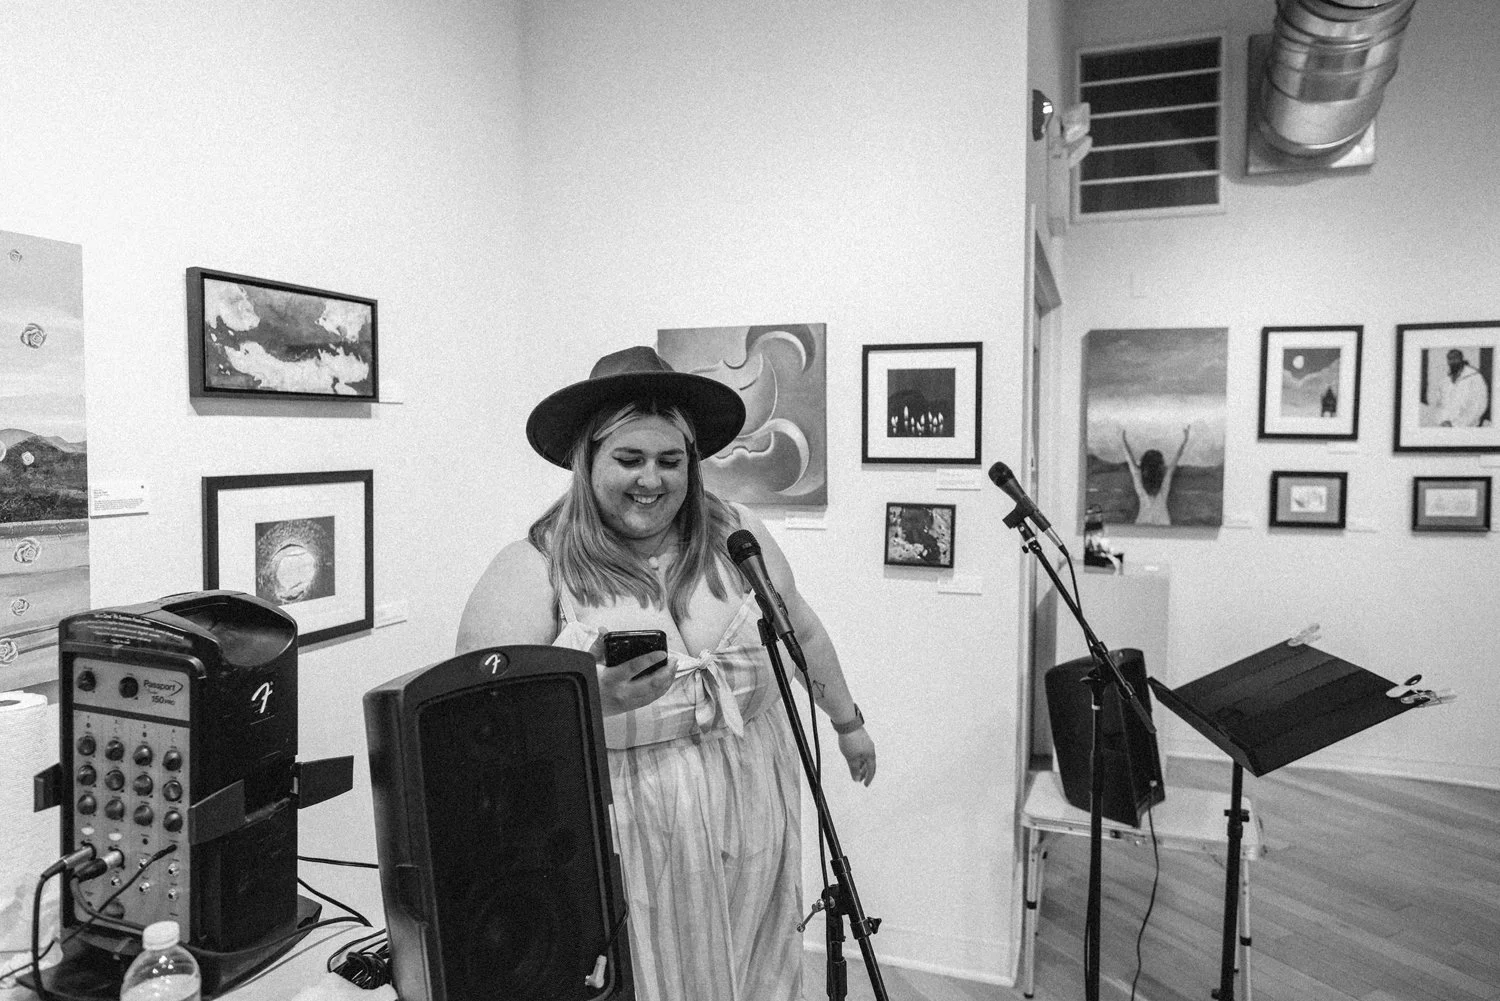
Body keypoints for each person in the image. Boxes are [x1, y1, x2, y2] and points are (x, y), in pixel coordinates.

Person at [456, 345, 876, 1001]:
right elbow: (473, 731)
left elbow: (804, 631)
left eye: (670, 460)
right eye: (629, 459)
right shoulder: (533, 567)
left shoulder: (738, 537)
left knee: (754, 979)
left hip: (753, 816)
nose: (651, 480)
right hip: (626, 845)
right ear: (586, 460)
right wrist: (586, 698)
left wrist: (847, 723)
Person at [1120, 425, 1191, 526]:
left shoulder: (1141, 486)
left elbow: (1130, 460)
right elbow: (1175, 460)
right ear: (1159, 468)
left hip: (1142, 525)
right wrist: (1185, 440)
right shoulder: (1163, 486)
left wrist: (1123, 439)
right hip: (1162, 526)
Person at [1431, 348, 1491, 427]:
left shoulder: (1475, 377)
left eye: (1456, 358)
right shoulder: (1445, 380)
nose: (1453, 361)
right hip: (1444, 425)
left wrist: (1456, 424)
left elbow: (1479, 406)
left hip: (1467, 426)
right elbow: (1439, 403)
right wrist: (1442, 420)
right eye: (1450, 359)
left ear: (1462, 359)